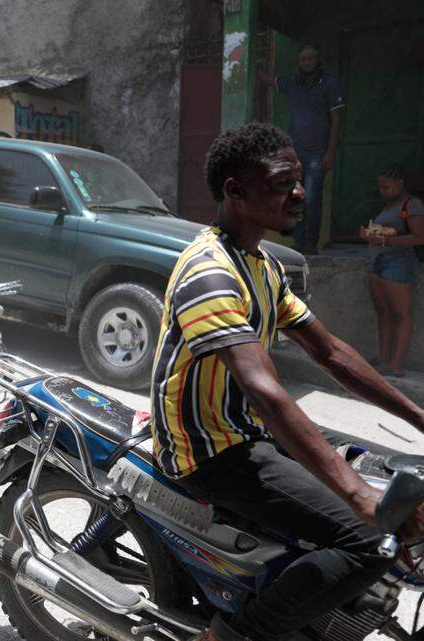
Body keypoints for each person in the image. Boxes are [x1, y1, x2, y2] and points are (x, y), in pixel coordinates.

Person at [150, 122, 424, 641]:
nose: (300, 192)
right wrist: (359, 498)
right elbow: (268, 394)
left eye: (299, 180)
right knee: (368, 539)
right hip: (210, 452)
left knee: (387, 474)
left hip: (248, 433)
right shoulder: (210, 273)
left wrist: (418, 417)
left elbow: (330, 351)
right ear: (236, 190)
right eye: (283, 183)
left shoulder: (261, 265)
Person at [258, 42, 345, 254]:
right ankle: (298, 243)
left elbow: (336, 120)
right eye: (304, 59)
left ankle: (310, 244)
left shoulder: (330, 84)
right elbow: (268, 80)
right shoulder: (292, 83)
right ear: (299, 62)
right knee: (294, 197)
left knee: (313, 199)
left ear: (318, 60)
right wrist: (254, 60)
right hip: (295, 153)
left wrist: (331, 152)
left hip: (318, 152)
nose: (307, 63)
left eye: (311, 58)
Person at [360, 164, 424, 377]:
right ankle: (383, 358)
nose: (382, 191)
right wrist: (370, 234)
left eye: (386, 187)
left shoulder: (411, 204)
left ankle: (396, 365)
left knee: (400, 314)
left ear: (400, 184)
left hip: (397, 263)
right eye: (380, 187)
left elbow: (419, 237)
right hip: (377, 262)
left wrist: (384, 240)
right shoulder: (388, 207)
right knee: (384, 313)